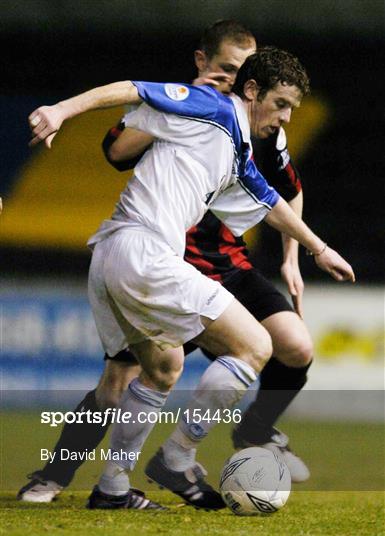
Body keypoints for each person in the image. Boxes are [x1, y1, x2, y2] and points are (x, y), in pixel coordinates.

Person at [23, 43, 354, 512]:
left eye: (292, 109)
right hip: (147, 254)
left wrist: (316, 250)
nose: (285, 118)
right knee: (255, 346)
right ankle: (174, 456)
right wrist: (61, 111)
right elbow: (132, 89)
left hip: (116, 255)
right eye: (281, 104)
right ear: (252, 89)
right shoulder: (212, 106)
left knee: (160, 371)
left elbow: (274, 201)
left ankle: (112, 489)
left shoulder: (238, 146)